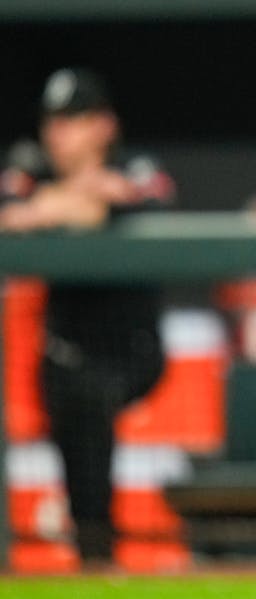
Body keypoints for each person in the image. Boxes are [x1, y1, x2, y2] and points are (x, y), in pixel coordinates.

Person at [0, 68, 175, 567]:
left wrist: (53, 208)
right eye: (53, 121)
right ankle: (94, 548)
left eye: (73, 120)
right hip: (66, 350)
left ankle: (97, 544)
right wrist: (80, 201)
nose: (58, 133)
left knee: (89, 394)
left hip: (131, 347)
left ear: (103, 125)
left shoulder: (135, 164)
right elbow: (10, 207)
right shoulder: (29, 165)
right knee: (74, 398)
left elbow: (152, 199)